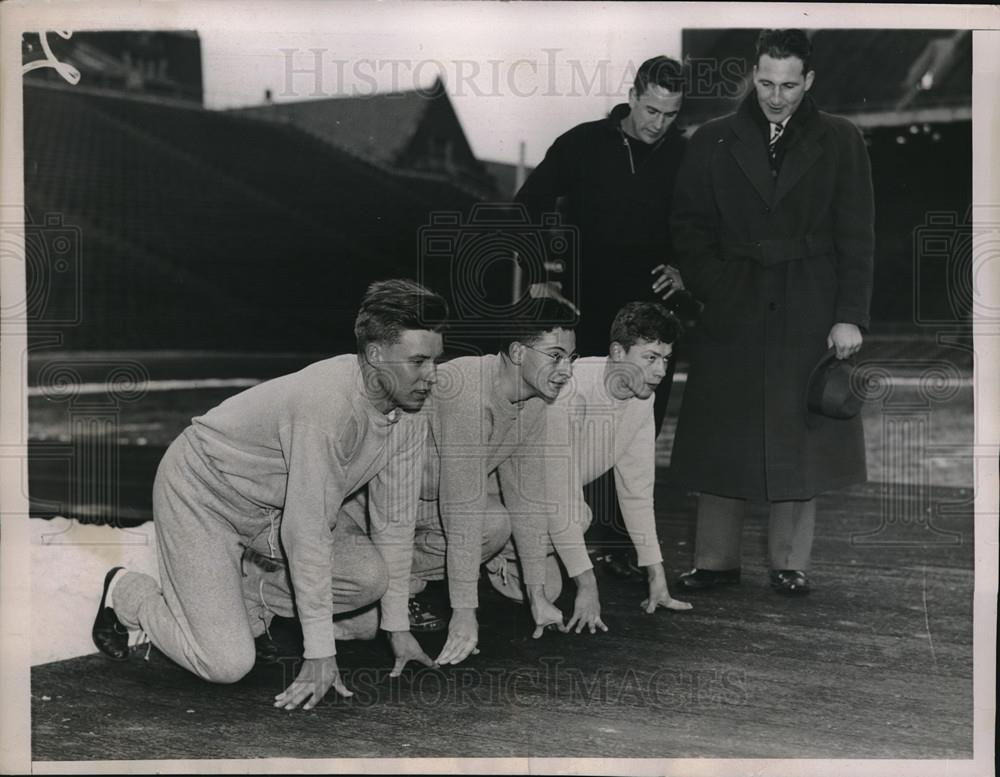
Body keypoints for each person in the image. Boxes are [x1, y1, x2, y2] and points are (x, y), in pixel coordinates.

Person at [91, 279, 448, 710]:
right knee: (225, 664)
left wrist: (397, 629)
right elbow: (308, 533)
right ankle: (128, 594)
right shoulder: (327, 404)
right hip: (204, 492)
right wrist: (319, 654)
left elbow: (394, 524)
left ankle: (244, 595)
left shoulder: (408, 409)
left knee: (369, 577)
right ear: (376, 355)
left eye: (435, 361)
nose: (432, 376)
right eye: (419, 361)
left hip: (271, 510)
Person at [669, 29, 874, 595]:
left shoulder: (841, 139)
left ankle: (789, 561)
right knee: (722, 429)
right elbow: (688, 225)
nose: (776, 96)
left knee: (797, 432)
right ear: (752, 76)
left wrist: (849, 313)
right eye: (765, 83)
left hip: (809, 301)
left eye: (788, 84)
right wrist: (715, 285)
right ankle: (715, 560)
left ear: (808, 81)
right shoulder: (710, 138)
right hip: (732, 300)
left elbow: (858, 234)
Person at [515, 55, 692, 579]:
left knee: (639, 421)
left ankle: (617, 543)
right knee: (579, 420)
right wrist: (540, 273)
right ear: (633, 96)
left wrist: (685, 272)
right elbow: (527, 202)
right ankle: (572, 534)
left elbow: (708, 224)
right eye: (652, 110)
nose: (658, 123)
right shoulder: (584, 142)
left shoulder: (685, 155)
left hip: (655, 316)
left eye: (671, 114)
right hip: (591, 312)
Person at [491, 301, 694, 631]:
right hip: (500, 490)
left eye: (666, 359)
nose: (661, 371)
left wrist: (656, 575)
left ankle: (502, 554)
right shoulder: (570, 388)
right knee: (574, 516)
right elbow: (559, 494)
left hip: (547, 501)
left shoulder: (644, 397)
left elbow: (637, 490)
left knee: (554, 586)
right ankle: (486, 550)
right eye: (650, 358)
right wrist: (587, 585)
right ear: (617, 351)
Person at [406, 299, 580, 665]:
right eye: (556, 356)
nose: (566, 370)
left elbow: (527, 497)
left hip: (433, 503)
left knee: (549, 576)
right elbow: (463, 510)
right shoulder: (469, 392)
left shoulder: (533, 398)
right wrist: (465, 612)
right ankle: (401, 585)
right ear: (517, 352)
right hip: (387, 510)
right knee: (490, 522)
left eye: (571, 359)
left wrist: (537, 596)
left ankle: (410, 582)